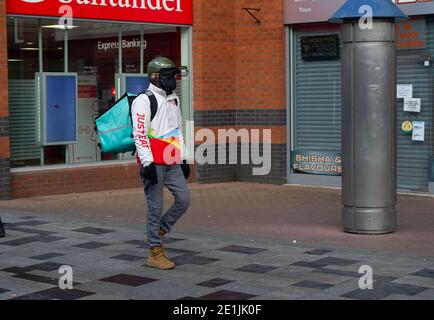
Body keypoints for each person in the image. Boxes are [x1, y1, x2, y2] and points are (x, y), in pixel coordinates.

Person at [131, 56, 190, 270]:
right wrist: (147, 164)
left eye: (173, 75)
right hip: (153, 162)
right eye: (167, 75)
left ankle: (158, 229)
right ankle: (154, 251)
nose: (172, 79)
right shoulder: (143, 100)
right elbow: (140, 134)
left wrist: (183, 158)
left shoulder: (174, 98)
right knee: (155, 207)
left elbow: (178, 130)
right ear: (154, 77)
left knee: (184, 199)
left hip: (172, 158)